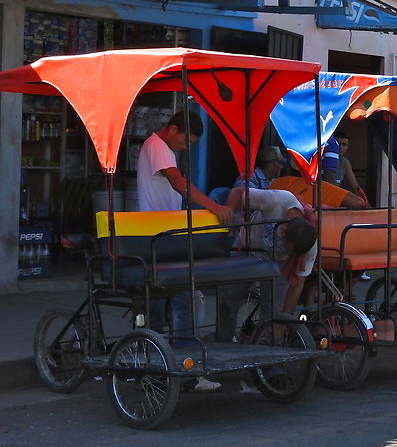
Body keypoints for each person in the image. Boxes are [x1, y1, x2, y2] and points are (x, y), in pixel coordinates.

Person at [136, 110, 234, 392]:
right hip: (160, 237)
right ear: (173, 129)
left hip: (161, 235)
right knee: (187, 298)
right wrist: (213, 207)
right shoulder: (158, 146)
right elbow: (179, 183)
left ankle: (156, 366)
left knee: (163, 302)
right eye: (186, 141)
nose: (186, 146)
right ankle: (186, 369)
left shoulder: (161, 148)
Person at [224, 187, 318, 317]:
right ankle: (224, 337)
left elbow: (297, 286)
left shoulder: (310, 245)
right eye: (286, 248)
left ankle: (268, 336)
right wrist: (229, 216)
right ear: (283, 230)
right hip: (247, 249)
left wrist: (284, 322)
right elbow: (237, 193)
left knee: (274, 314)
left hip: (278, 263)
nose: (288, 251)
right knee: (229, 299)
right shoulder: (277, 200)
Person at [322, 134, 364, 199]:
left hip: (337, 195)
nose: (341, 147)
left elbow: (355, 186)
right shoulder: (322, 158)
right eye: (338, 144)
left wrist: (367, 205)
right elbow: (329, 178)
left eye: (344, 144)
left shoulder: (344, 162)